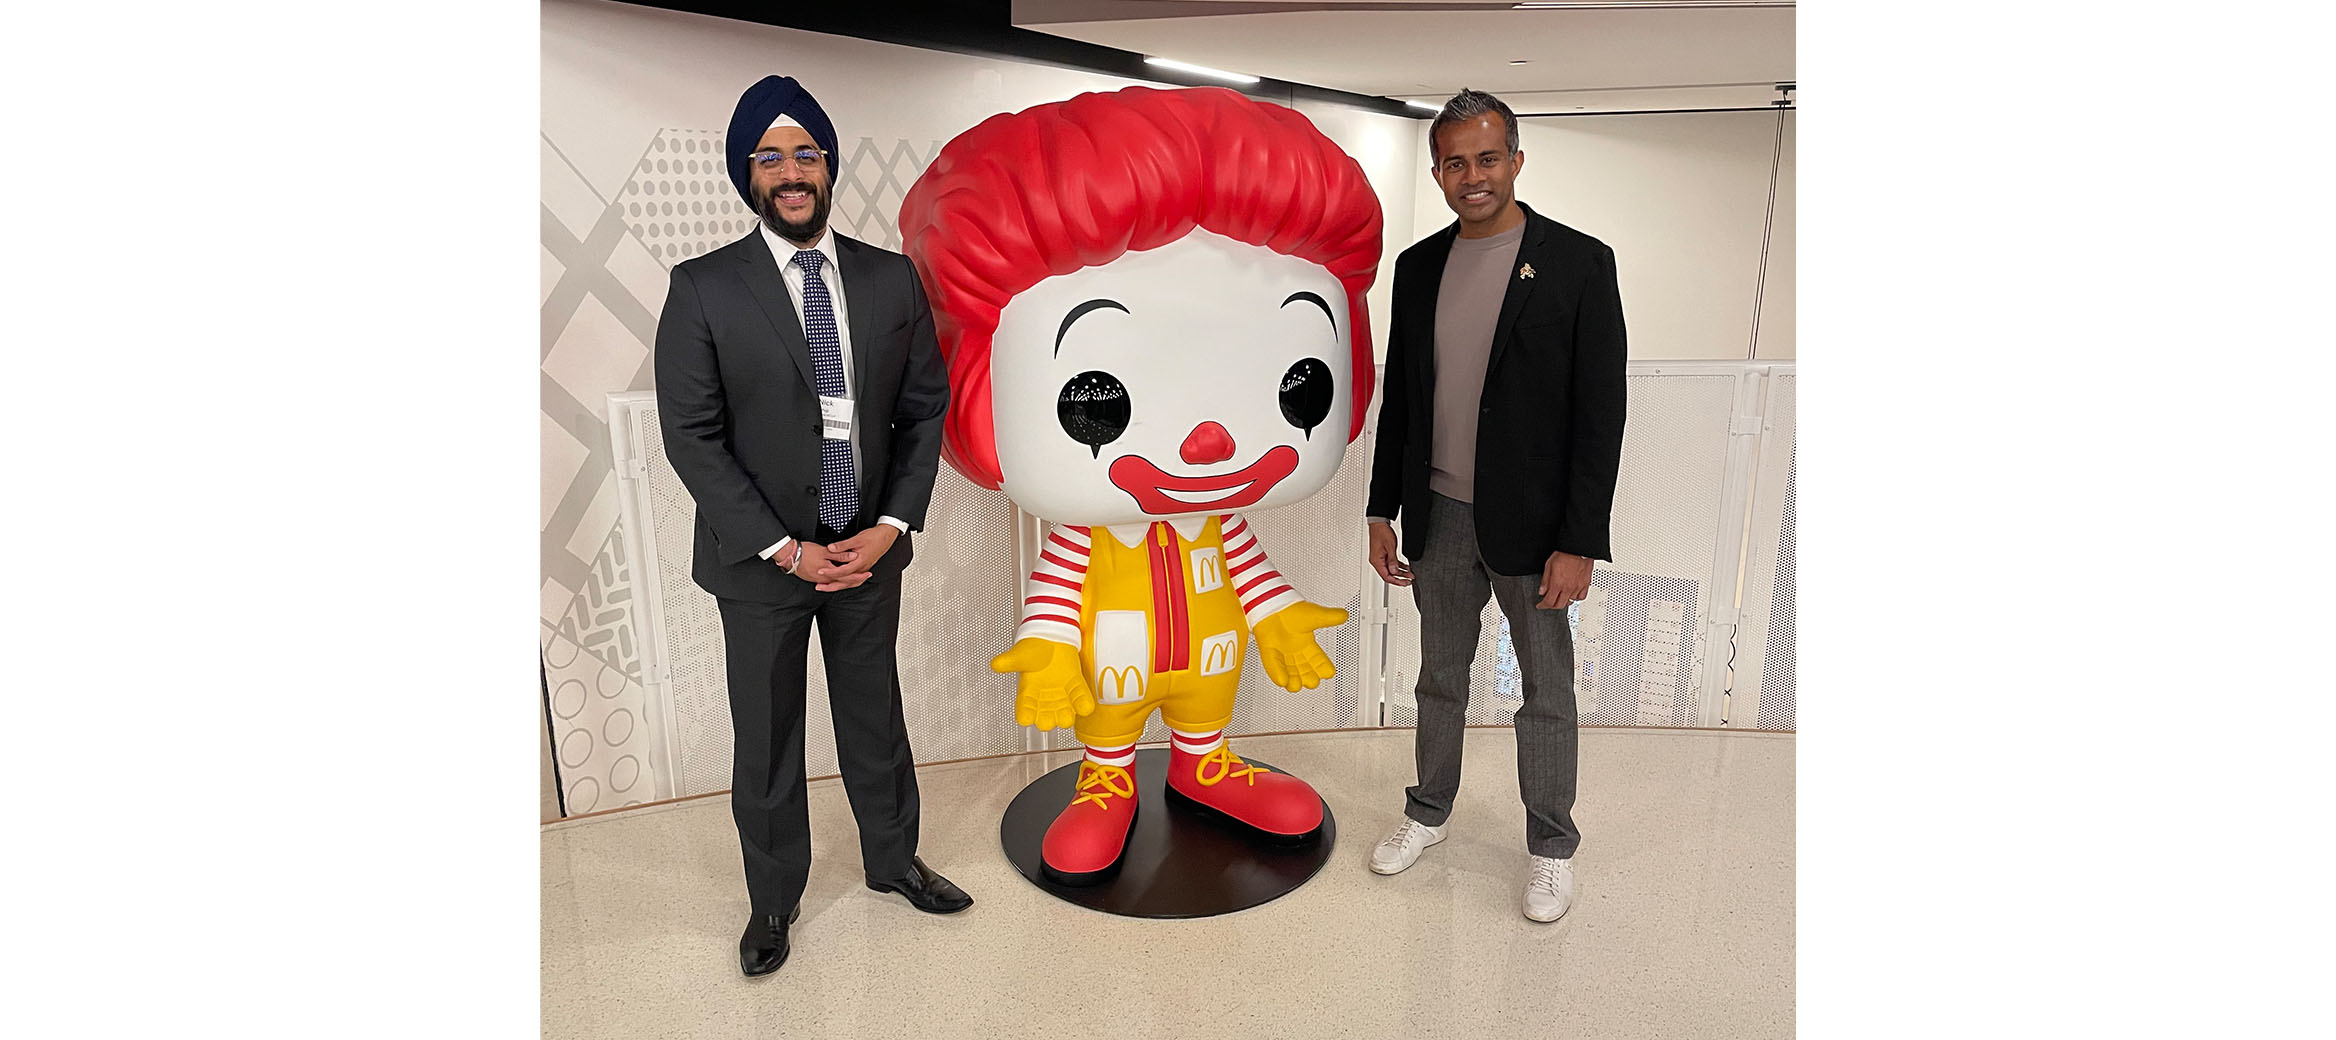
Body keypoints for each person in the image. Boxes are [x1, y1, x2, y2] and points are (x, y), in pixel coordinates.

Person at [654, 74, 966, 980]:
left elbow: (922, 408)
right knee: (770, 735)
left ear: (828, 165)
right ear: (746, 174)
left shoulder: (887, 277)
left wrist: (894, 523)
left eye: (805, 153)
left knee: (875, 716)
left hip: (868, 550)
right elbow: (694, 438)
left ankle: (893, 860)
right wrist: (785, 548)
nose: (790, 172)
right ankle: (773, 900)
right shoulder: (703, 289)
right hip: (761, 567)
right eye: (770, 156)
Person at [1362, 88, 1627, 923]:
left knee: (1546, 688)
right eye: (1454, 162)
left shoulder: (1581, 263)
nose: (1470, 176)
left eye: (1486, 158)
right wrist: (1381, 510)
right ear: (1437, 169)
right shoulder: (1417, 267)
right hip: (1437, 516)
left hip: (1537, 530)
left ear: (1516, 159)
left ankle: (1551, 847)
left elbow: (1601, 412)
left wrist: (1579, 540)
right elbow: (1399, 400)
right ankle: (1427, 813)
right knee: (1439, 676)